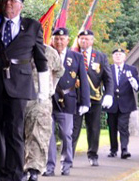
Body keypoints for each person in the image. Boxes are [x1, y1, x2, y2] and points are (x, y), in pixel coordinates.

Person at [0, 0, 50, 181]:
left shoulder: (33, 26)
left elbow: (41, 60)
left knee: (15, 131)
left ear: (21, 5)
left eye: (12, 0)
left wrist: (44, 90)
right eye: (5, 1)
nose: (8, 4)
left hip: (19, 84)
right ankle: (1, 174)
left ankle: (16, 174)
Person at [45, 27, 90, 177]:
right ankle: (49, 166)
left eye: (62, 39)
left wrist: (85, 102)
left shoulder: (76, 57)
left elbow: (83, 80)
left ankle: (66, 163)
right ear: (52, 39)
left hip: (67, 100)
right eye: (56, 38)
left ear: (68, 40)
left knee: (66, 133)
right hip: (48, 99)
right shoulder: (46, 54)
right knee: (48, 134)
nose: (59, 41)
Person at [23, 37, 63, 181]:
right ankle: (20, 167)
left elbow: (58, 72)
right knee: (19, 134)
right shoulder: (20, 48)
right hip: (21, 98)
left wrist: (49, 89)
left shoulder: (50, 52)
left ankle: (34, 169)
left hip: (41, 101)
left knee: (39, 134)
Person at [71, 29, 108, 166]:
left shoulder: (100, 57)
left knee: (93, 128)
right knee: (73, 128)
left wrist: (109, 94)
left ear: (92, 41)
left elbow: (107, 78)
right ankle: (69, 156)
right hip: (76, 97)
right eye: (81, 39)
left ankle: (93, 155)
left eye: (87, 39)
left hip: (94, 97)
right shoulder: (72, 54)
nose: (84, 41)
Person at [103, 47, 139, 159]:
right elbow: (104, 85)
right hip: (112, 103)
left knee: (123, 126)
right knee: (112, 127)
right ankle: (113, 149)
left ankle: (124, 149)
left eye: (120, 54)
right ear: (113, 57)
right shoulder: (108, 69)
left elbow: (138, 87)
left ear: (124, 57)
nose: (118, 56)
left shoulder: (131, 69)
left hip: (126, 103)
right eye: (116, 55)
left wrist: (133, 81)